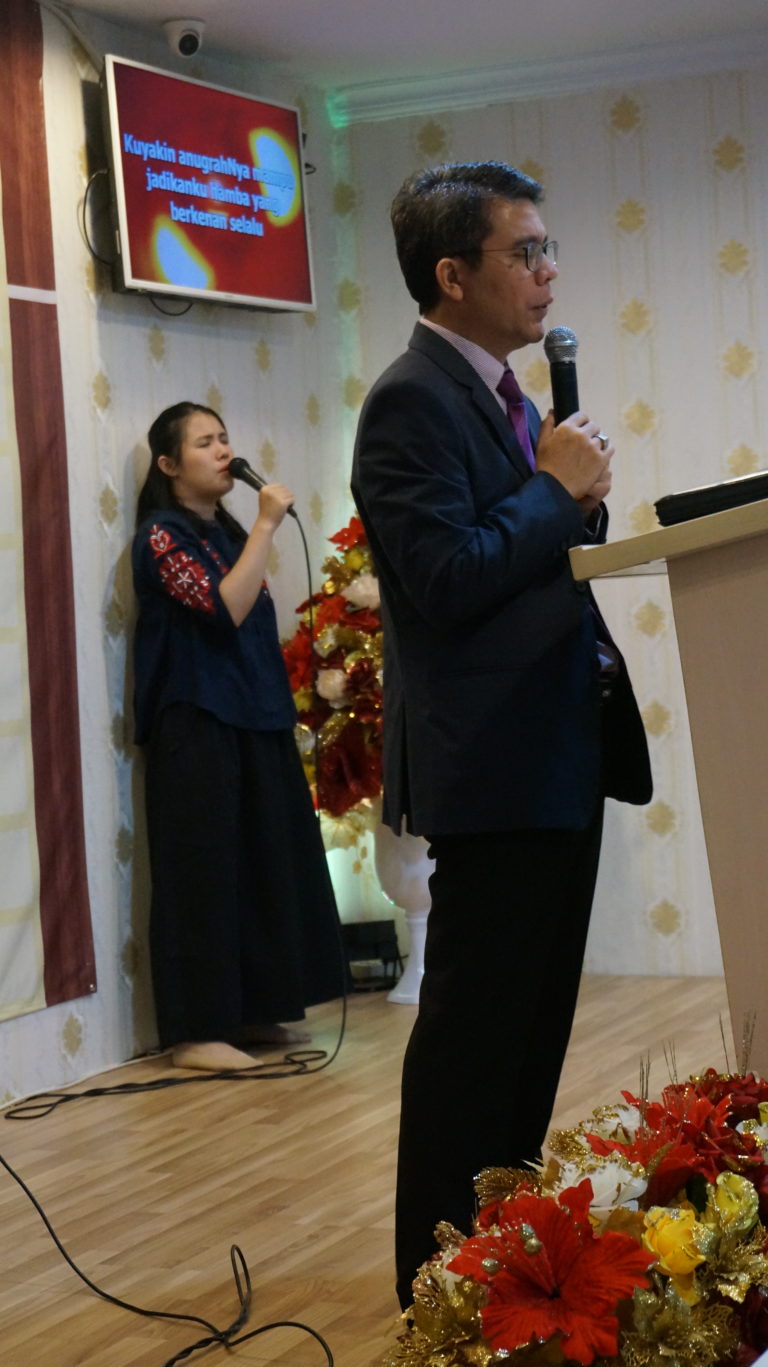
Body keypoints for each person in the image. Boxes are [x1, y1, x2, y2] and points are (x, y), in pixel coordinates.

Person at [351, 162, 652, 1307]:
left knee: (530, 1043)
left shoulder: (510, 395)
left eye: (547, 248)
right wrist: (552, 491)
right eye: (525, 251)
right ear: (452, 273)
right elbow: (444, 575)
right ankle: (435, 1291)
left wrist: (573, 493)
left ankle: (501, 1274)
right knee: (473, 1052)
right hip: (493, 766)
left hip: (558, 749)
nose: (548, 272)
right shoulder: (409, 400)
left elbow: (527, 549)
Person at [132, 401, 343, 1071]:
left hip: (256, 716)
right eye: (205, 443)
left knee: (262, 864)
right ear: (169, 465)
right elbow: (222, 608)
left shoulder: (224, 532)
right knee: (204, 875)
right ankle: (197, 1033)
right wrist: (267, 523)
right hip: (197, 722)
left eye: (225, 438)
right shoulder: (161, 536)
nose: (224, 451)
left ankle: (252, 1012)